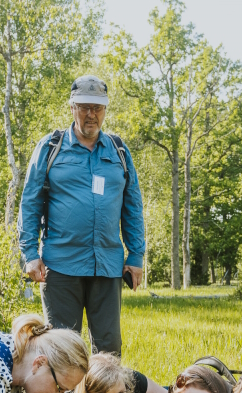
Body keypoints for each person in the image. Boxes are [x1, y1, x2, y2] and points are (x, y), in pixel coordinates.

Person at [18, 75, 145, 355]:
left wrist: (136, 255)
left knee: (109, 350)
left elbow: (132, 203)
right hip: (60, 266)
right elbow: (30, 201)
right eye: (84, 107)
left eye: (97, 108)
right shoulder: (51, 147)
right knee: (63, 351)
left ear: (105, 110)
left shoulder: (119, 150)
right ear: (72, 107)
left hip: (108, 265)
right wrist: (29, 254)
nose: (91, 115)